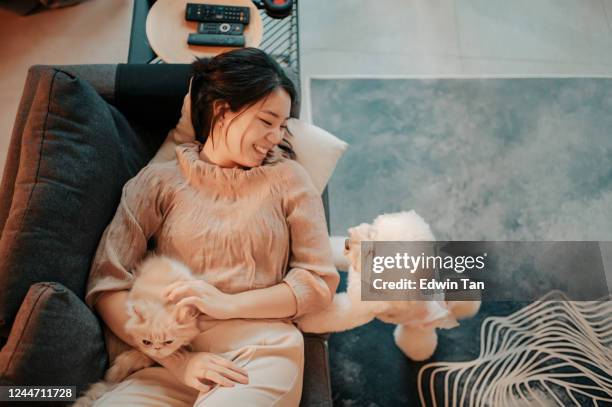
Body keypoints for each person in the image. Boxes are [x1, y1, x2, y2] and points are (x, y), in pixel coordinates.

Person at [84, 47, 340, 406]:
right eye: (266, 122)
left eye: (282, 126)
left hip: (259, 352)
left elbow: (316, 282)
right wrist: (180, 362)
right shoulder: (159, 181)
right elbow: (108, 282)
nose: (275, 137)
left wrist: (226, 304)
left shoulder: (288, 178)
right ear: (222, 110)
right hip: (161, 366)